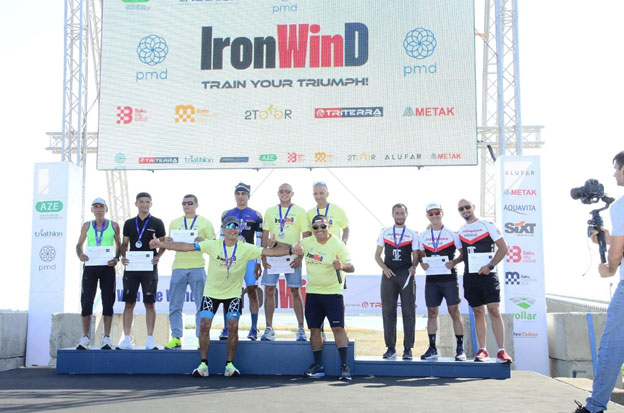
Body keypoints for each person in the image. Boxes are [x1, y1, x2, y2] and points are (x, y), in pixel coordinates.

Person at [149, 215, 292, 377]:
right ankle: (203, 364)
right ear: (223, 229)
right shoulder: (213, 245)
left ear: (239, 230)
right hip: (212, 293)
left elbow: (270, 252)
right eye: (228, 226)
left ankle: (229, 365)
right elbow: (186, 246)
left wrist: (291, 250)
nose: (232, 229)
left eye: (235, 226)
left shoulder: (246, 248)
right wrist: (161, 244)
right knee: (204, 325)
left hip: (233, 294)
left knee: (233, 326)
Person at [575, 152, 624, 413]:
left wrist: (609, 267)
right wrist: (606, 237)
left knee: (612, 347)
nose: (614, 174)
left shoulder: (621, 205)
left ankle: (595, 407)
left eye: (616, 168)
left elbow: (615, 256)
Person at [293, 215, 354, 381]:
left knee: (338, 328)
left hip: (333, 293)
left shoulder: (337, 244)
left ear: (329, 227)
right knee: (314, 329)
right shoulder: (306, 242)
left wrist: (342, 266)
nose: (319, 230)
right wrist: (275, 245)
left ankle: (344, 366)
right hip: (313, 292)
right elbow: (291, 248)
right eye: (315, 227)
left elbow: (351, 267)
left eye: (323, 226)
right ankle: (318, 366)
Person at [456, 198, 512, 363]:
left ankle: (501, 351)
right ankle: (483, 350)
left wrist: (490, 266)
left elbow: (503, 248)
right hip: (471, 276)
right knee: (478, 312)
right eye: (461, 209)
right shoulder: (460, 231)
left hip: (488, 274)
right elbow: (462, 255)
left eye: (467, 207)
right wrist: (453, 262)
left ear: (473, 207)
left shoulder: (488, 224)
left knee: (494, 310)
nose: (465, 211)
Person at [260, 183, 311, 341]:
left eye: (287, 191)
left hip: (293, 257)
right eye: (281, 191)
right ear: (278, 193)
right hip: (273, 255)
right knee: (269, 290)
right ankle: (269, 328)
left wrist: (300, 257)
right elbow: (265, 235)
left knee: (295, 291)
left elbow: (306, 237)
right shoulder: (270, 211)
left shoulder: (300, 211)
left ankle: (301, 329)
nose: (284, 194)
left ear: (292, 193)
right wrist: (263, 256)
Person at [164, 194, 215, 350]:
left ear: (196, 205)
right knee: (175, 305)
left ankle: (201, 337)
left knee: (201, 305)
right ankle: (176, 337)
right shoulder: (175, 223)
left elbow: (214, 244)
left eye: (190, 203)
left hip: (197, 267)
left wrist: (203, 241)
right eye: (184, 203)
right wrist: (168, 242)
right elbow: (170, 245)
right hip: (178, 267)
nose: (186, 205)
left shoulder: (205, 223)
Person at [117, 192, 167, 350]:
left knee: (149, 303)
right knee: (129, 303)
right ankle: (126, 339)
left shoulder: (157, 222)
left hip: (149, 267)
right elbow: (124, 245)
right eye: (141, 202)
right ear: (136, 204)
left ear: (151, 204)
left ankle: (150, 339)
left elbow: (164, 243)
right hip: (132, 268)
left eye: (147, 202)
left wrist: (158, 256)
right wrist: (123, 257)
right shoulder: (129, 223)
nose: (144, 204)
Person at [417, 203, 466, 361]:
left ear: (442, 213)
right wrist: (422, 263)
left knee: (454, 312)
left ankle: (460, 349)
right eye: (431, 214)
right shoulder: (423, 236)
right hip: (432, 279)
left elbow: (463, 254)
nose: (434, 216)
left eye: (437, 212)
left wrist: (455, 262)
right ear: (427, 216)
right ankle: (432, 348)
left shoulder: (452, 234)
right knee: (432, 313)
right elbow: (420, 255)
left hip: (449, 278)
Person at [74, 198, 121, 350]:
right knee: (86, 300)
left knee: (108, 300)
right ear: (92, 210)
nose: (99, 209)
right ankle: (85, 337)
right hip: (91, 266)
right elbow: (79, 245)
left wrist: (116, 258)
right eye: (96, 206)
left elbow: (119, 245)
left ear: (106, 209)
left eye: (101, 206)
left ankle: (106, 337)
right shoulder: (87, 226)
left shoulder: (114, 225)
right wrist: (80, 254)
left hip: (107, 266)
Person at [219, 183, 264, 341]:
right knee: (229, 293)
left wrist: (258, 261)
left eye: (243, 194)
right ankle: (227, 327)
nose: (240, 196)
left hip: (249, 258)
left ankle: (254, 328)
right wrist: (222, 258)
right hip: (231, 259)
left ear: (248, 196)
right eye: (238, 193)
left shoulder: (256, 215)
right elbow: (221, 238)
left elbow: (259, 241)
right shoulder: (227, 214)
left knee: (252, 291)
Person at [374, 203, 418, 360]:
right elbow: (377, 255)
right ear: (393, 215)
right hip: (389, 275)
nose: (399, 216)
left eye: (402, 213)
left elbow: (416, 256)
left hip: (406, 275)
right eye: (397, 213)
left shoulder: (412, 234)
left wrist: (414, 266)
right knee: (388, 312)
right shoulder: (385, 232)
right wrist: (385, 268)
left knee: (408, 312)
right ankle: (390, 348)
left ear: (406, 214)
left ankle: (408, 349)